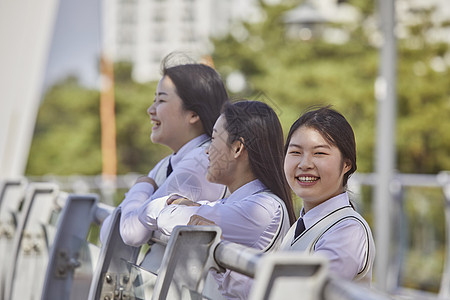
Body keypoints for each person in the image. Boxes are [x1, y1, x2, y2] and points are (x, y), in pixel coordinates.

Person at [141, 100, 296, 299]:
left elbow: (165, 218)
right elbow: (150, 212)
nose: (207, 151)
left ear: (237, 148)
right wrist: (182, 203)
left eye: (214, 139)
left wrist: (178, 202)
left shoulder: (262, 208)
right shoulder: (233, 203)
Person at [99, 53, 229, 248]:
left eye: (161, 101)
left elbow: (131, 232)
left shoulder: (199, 162)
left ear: (193, 114)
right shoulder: (172, 161)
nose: (150, 110)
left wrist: (142, 186)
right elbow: (109, 230)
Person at [280, 106, 376, 285]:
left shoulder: (347, 230)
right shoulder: (300, 226)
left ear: (346, 164)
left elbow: (306, 292)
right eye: (295, 152)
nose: (305, 164)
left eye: (319, 153)